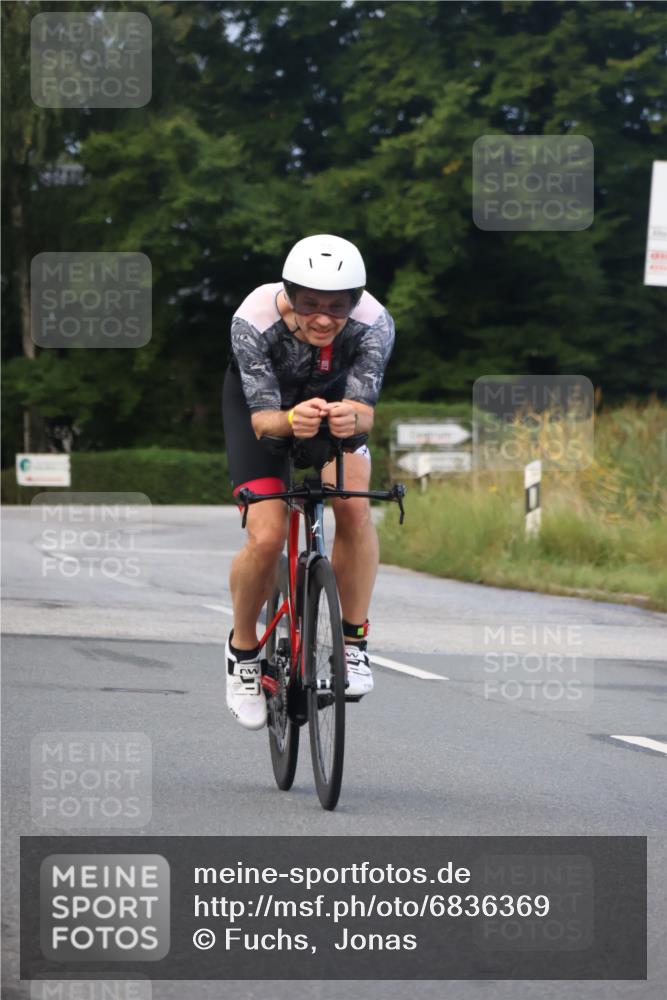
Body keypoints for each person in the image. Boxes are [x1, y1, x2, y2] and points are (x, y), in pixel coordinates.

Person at [222, 234, 395, 730]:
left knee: (355, 505)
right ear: (290, 294)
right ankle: (242, 652)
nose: (322, 317)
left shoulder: (374, 325)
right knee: (269, 534)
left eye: (336, 307)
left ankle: (354, 643)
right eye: (309, 304)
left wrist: (351, 417)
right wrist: (289, 418)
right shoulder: (253, 320)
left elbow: (365, 410)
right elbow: (262, 422)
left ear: (355, 302)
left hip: (332, 408)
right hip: (264, 411)